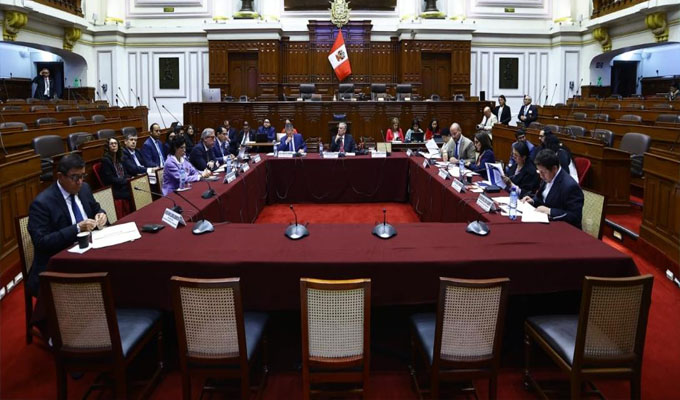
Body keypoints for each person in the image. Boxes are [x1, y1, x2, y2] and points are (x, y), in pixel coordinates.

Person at [26, 154, 107, 295]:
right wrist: (77, 228)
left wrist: (101, 215)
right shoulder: (42, 203)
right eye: (75, 177)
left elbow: (96, 208)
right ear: (60, 176)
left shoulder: (84, 188)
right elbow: (41, 242)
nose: (80, 181)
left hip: (90, 253)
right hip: (58, 265)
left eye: (83, 176)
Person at [522, 149, 584, 228]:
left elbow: (575, 216)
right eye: (539, 172)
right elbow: (544, 198)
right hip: (544, 222)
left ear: (554, 169)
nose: (541, 176)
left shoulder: (570, 186)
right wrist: (533, 201)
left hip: (563, 228)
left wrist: (550, 211)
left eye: (543, 172)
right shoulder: (548, 176)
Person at [99, 138, 132, 216]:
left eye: (115, 143)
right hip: (114, 189)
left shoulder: (120, 159)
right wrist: (126, 181)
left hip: (123, 185)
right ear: (108, 147)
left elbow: (126, 173)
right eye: (111, 144)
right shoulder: (105, 160)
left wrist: (130, 178)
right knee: (131, 194)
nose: (114, 145)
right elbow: (110, 179)